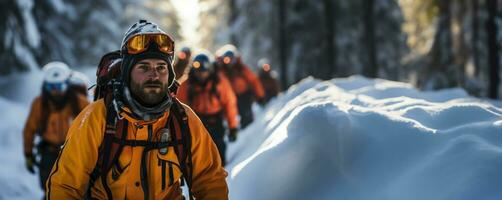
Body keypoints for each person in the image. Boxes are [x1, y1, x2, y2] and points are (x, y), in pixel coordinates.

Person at [46, 20, 228, 200]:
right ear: (127, 72)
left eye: (161, 67)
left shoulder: (183, 119)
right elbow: (65, 186)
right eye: (144, 67)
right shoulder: (98, 117)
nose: (154, 74)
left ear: (170, 75)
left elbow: (210, 181)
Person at [23, 61, 89, 194]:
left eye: (59, 86)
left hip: (74, 154)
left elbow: (93, 126)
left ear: (67, 84)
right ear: (45, 86)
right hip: (49, 153)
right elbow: (29, 129)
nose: (54, 90)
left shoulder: (80, 102)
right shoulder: (39, 104)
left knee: (77, 189)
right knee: (49, 189)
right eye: (50, 86)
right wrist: (28, 154)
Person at [177, 51, 239, 165]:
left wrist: (233, 127)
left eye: (204, 71)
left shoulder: (219, 82)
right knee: (198, 151)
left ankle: (222, 171)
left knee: (219, 146)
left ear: (210, 70)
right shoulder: (187, 84)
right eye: (198, 72)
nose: (201, 75)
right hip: (197, 121)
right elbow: (177, 105)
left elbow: (229, 103)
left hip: (216, 120)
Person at [215, 44, 265, 128]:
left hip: (244, 95)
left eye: (231, 59)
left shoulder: (241, 68)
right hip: (231, 97)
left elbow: (254, 80)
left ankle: (249, 129)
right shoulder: (221, 71)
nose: (230, 62)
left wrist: (260, 96)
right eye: (227, 59)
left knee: (246, 115)